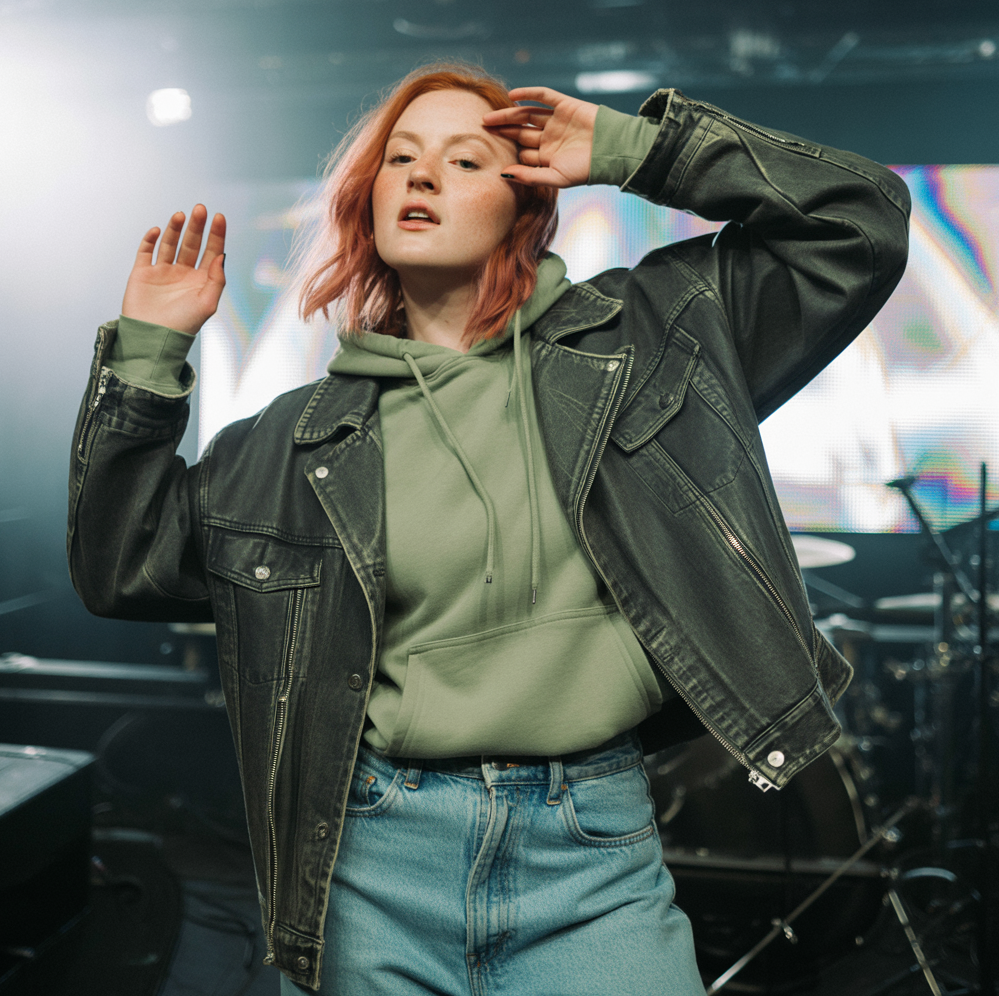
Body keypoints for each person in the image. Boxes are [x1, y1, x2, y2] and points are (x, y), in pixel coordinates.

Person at [68, 63, 910, 995]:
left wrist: (639, 149)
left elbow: (859, 223)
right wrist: (148, 355)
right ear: (370, 200)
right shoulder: (290, 445)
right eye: (400, 158)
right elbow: (122, 565)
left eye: (465, 160)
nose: (421, 177)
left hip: (592, 857)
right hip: (372, 864)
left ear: (525, 209)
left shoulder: (651, 339)